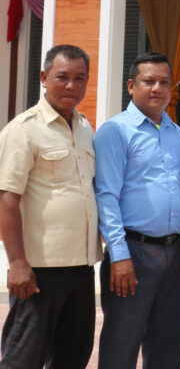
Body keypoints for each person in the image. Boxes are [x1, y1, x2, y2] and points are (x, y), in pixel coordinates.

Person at [0, 45, 98, 369]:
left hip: (81, 270)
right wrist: (16, 263)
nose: (71, 86)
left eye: (79, 78)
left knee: (73, 357)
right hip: (39, 270)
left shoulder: (85, 128)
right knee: (23, 359)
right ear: (43, 78)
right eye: (62, 77)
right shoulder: (23, 130)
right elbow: (7, 199)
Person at [93, 51, 180, 369]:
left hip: (172, 252)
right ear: (131, 85)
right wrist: (118, 255)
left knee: (167, 344)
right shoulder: (115, 131)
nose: (157, 89)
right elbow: (106, 196)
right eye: (149, 81)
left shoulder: (176, 133)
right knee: (122, 344)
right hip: (132, 252)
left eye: (165, 82)